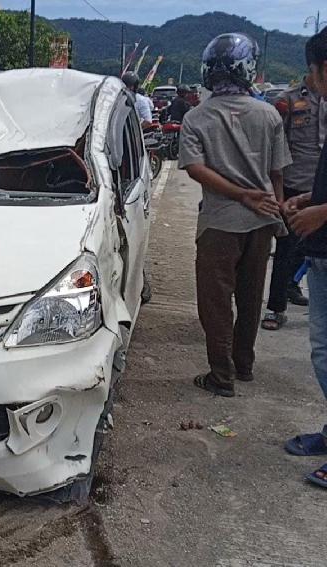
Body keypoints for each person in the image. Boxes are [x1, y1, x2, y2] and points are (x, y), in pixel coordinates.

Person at [179, 32, 292, 398]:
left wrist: (240, 194)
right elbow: (278, 174)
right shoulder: (270, 114)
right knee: (250, 296)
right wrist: (276, 215)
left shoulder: (196, 117)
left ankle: (221, 375)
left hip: (219, 224)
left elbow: (195, 168)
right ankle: (244, 365)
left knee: (215, 302)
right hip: (261, 223)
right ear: (249, 70)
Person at [282, 28, 327, 489]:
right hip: (321, 252)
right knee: (322, 353)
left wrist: (322, 212)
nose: (308, 81)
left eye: (311, 72)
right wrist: (307, 202)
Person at [261, 74, 326, 330]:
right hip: (294, 184)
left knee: (311, 250)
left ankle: (291, 285)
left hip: (322, 187)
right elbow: (277, 144)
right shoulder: (286, 100)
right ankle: (275, 309)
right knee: (286, 249)